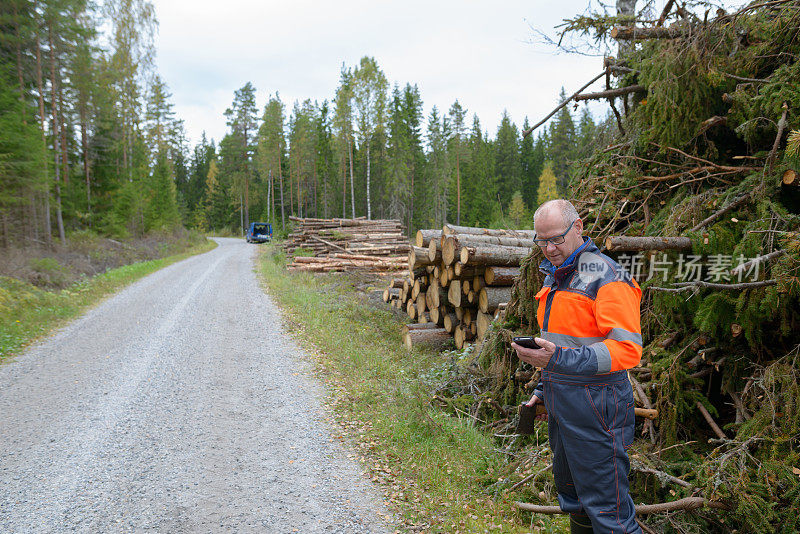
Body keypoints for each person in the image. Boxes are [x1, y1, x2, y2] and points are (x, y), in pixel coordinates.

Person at [511, 199, 643, 534]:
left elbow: (627, 351)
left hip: (599, 408)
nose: (549, 248)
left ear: (579, 227)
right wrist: (542, 391)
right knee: (576, 500)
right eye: (541, 241)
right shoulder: (556, 278)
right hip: (562, 404)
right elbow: (560, 341)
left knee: (608, 514)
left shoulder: (608, 277)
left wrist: (557, 360)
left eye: (556, 239)